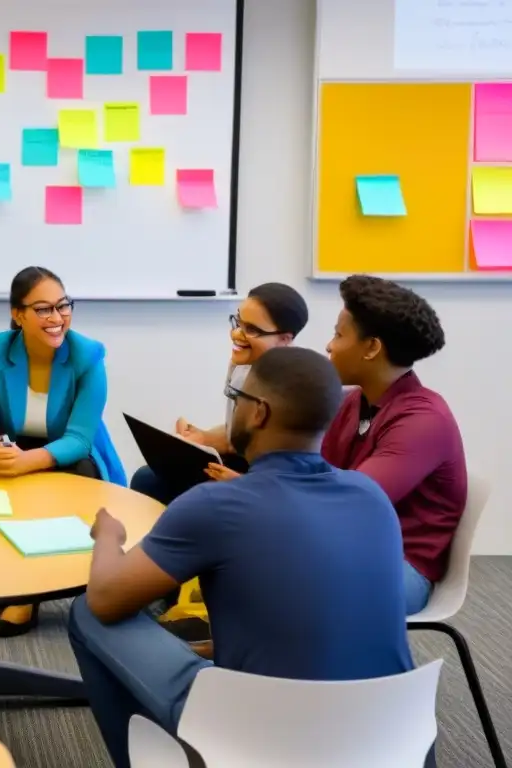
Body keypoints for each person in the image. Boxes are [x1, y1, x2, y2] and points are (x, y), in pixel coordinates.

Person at [68, 347, 415, 768]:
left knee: (88, 612)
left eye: (238, 398)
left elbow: (106, 599)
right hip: (387, 733)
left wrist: (110, 535)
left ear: (259, 413)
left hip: (260, 738)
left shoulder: (217, 505)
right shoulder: (372, 497)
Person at [0, 266, 126, 638]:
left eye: (63, 306)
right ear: (18, 314)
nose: (57, 318)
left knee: (79, 477)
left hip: (68, 452)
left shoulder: (88, 356)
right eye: (44, 309)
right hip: (12, 445)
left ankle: (32, 591)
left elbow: (79, 438)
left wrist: (31, 460)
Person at [322, 275, 466, 616]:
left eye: (339, 334)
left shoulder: (424, 419)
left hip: (398, 565)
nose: (329, 346)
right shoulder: (353, 402)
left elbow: (350, 502)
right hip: (348, 546)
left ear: (372, 348)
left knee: (280, 573)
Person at [129, 282, 309, 504]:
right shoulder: (243, 366)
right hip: (240, 471)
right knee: (147, 478)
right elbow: (239, 435)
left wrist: (241, 483)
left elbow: (294, 475)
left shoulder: (295, 392)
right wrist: (201, 439)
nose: (236, 334)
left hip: (269, 488)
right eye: (237, 322)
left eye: (251, 330)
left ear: (285, 339)